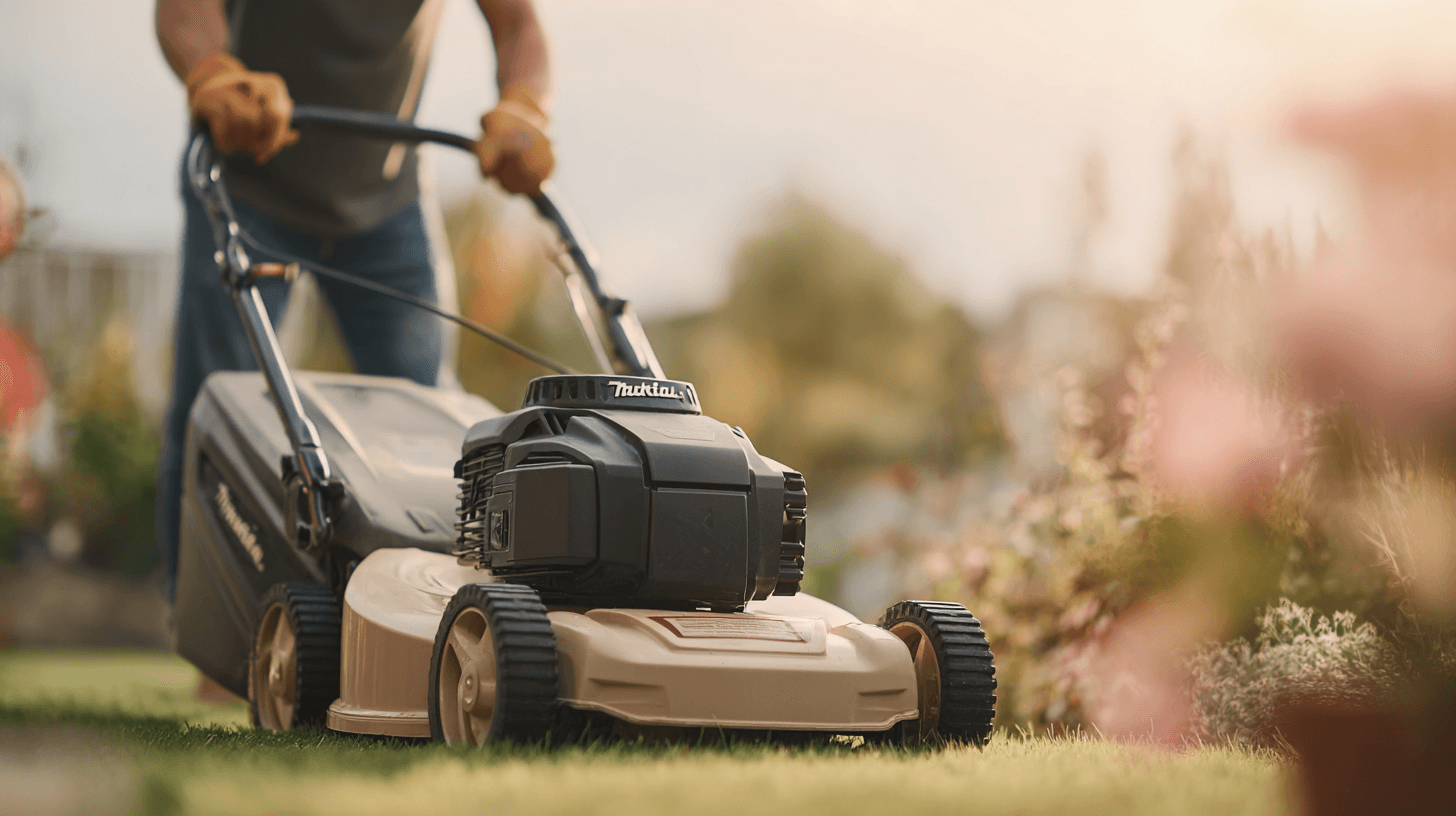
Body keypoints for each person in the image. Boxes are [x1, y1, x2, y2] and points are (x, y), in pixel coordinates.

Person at [153, 0, 555, 603]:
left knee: (427, 414)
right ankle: (212, 634)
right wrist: (211, 70)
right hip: (247, 180)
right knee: (214, 408)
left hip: (387, 197)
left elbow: (518, 23)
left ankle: (428, 610)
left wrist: (525, 104)